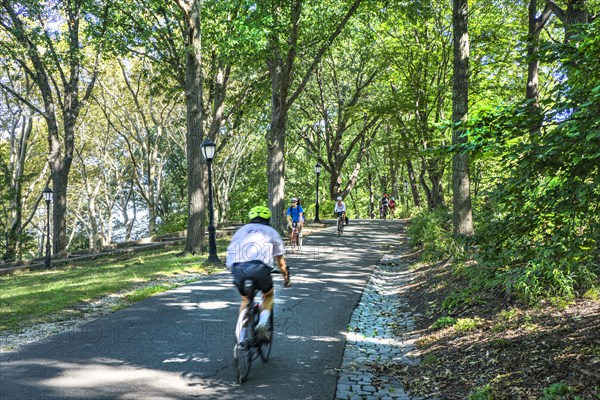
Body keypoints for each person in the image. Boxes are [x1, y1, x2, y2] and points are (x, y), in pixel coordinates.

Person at [226, 205, 291, 343]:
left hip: (237, 268)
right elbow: (281, 262)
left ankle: (241, 338)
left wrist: (233, 270)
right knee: (268, 295)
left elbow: (230, 253)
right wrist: (286, 278)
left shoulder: (241, 231)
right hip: (260, 268)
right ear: (268, 219)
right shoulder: (271, 232)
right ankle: (262, 324)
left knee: (245, 300)